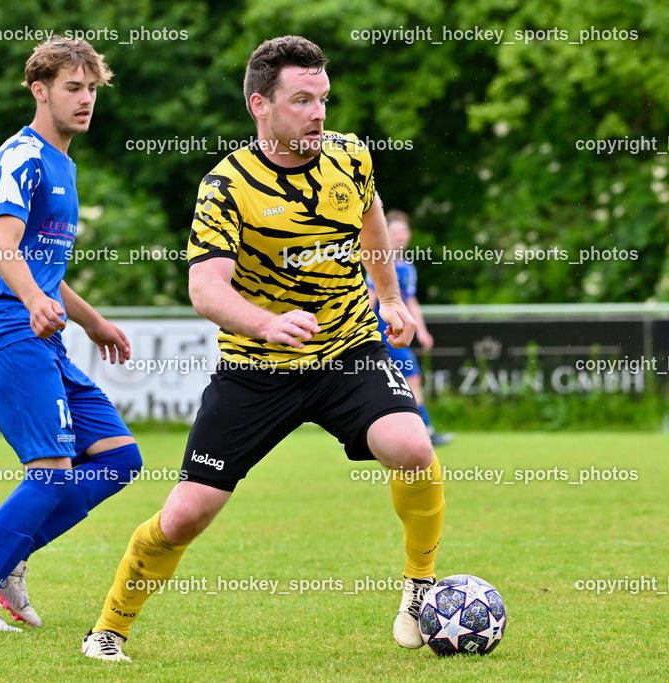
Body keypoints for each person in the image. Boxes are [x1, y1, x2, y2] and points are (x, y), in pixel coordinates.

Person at [81, 35, 446, 661]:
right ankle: (109, 629)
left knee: (412, 445)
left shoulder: (350, 156)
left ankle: (420, 587)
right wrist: (264, 323)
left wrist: (388, 296)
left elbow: (371, 214)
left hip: (348, 351)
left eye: (323, 99)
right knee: (186, 515)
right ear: (261, 105)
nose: (318, 114)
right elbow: (205, 288)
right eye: (302, 100)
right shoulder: (226, 186)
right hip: (256, 370)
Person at [0, 39, 142, 633]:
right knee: (52, 469)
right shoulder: (21, 156)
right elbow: (3, 246)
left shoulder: (64, 164)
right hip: (7, 330)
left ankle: (7, 558)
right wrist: (33, 299)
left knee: (118, 458)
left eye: (91, 89)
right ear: (40, 90)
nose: (85, 100)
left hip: (41, 335)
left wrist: (92, 321)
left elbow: (44, 266)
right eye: (72, 88)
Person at [366, 210, 454, 447]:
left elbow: (411, 302)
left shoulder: (408, 267)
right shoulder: (380, 263)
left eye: (402, 231)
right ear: (385, 234)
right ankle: (425, 431)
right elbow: (370, 299)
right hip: (382, 334)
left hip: (395, 336)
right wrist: (363, 331)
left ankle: (362, 433)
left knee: (381, 383)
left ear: (409, 234)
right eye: (393, 232)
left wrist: (422, 331)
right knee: (411, 377)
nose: (399, 236)